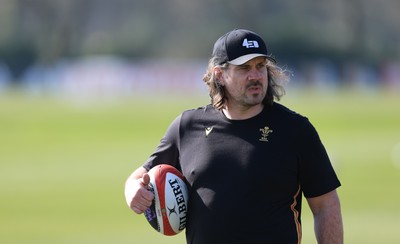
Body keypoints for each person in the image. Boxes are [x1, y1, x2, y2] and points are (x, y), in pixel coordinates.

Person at [124, 29, 343, 244]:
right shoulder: (187, 126)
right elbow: (138, 178)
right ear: (220, 74)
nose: (255, 75)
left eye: (260, 66)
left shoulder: (296, 130)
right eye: (244, 68)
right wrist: (133, 191)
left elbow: (326, 205)